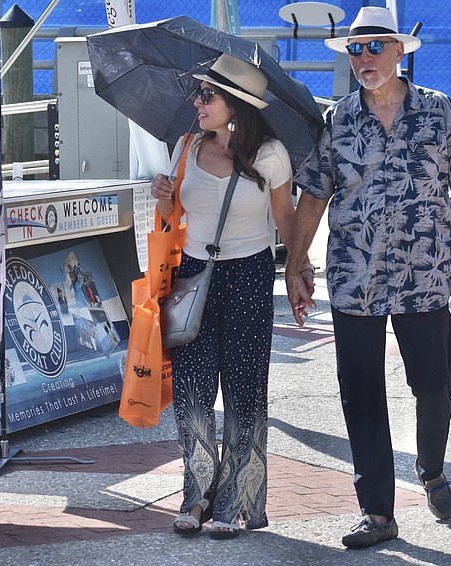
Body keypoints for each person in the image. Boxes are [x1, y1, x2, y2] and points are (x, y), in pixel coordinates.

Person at [284, 6, 451, 549]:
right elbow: (313, 195)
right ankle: (377, 511)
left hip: (425, 275)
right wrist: (295, 263)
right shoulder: (337, 120)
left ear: (400, 51)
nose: (364, 57)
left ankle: (431, 468)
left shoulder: (439, 111)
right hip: (355, 277)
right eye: (355, 49)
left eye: (375, 46)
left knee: (435, 387)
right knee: (361, 396)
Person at [150, 54, 313, 540]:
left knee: (244, 389)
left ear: (236, 105)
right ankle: (197, 494)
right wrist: (163, 194)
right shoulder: (186, 146)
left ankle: (236, 499)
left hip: (249, 275)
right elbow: (174, 217)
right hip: (193, 276)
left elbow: (285, 220)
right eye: (198, 93)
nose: (197, 103)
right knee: (192, 388)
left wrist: (299, 269)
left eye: (208, 95)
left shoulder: (271, 155)